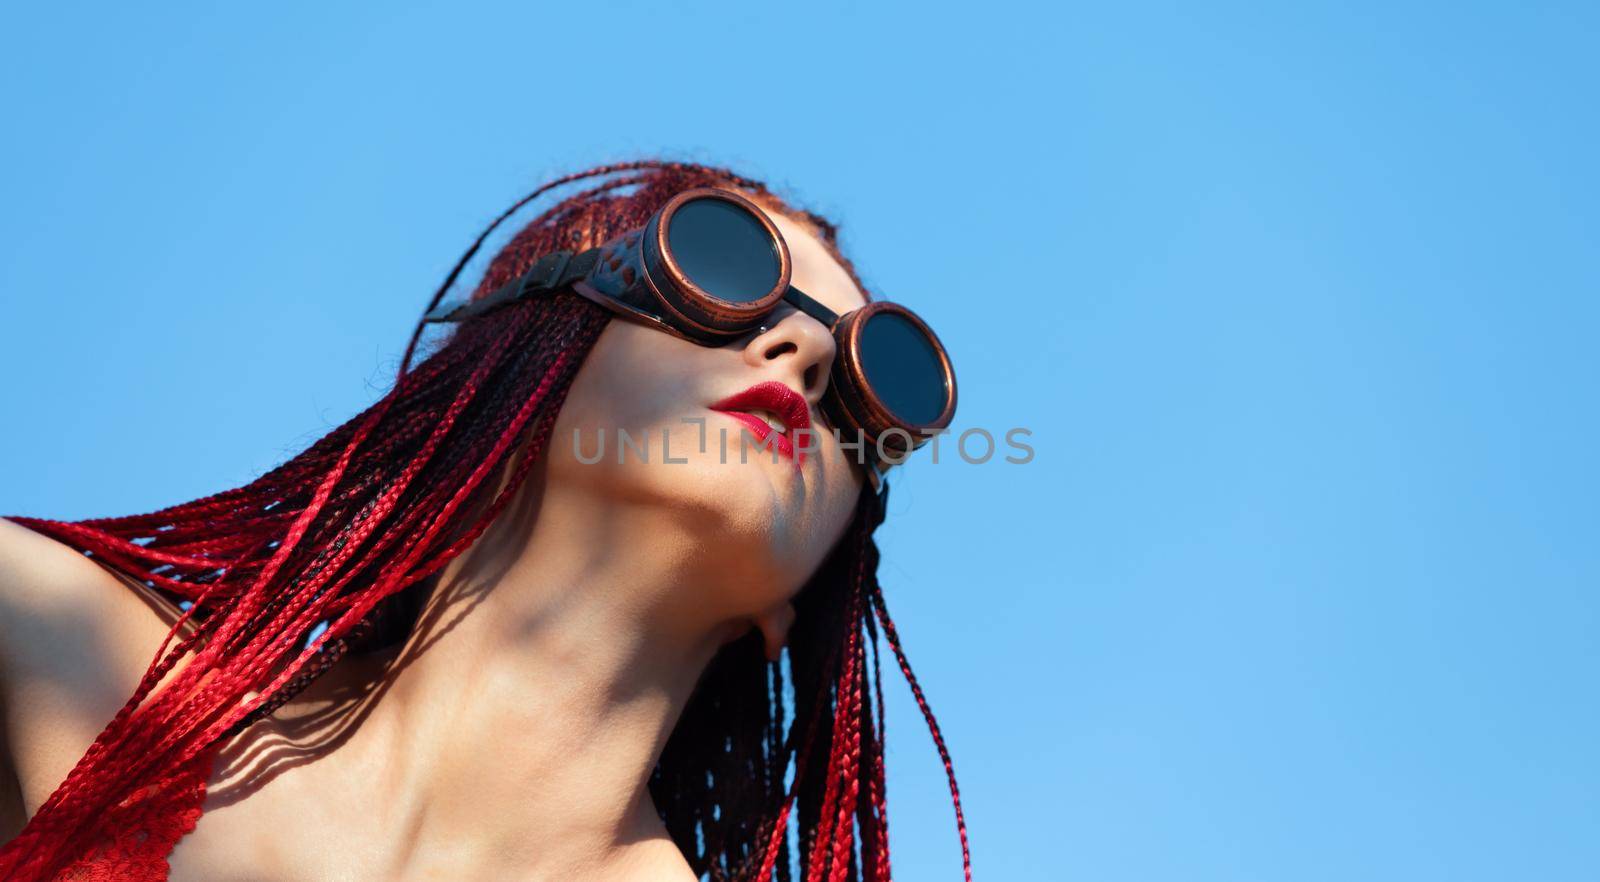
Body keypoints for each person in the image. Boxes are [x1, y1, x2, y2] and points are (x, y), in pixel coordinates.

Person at [0, 160, 970, 881]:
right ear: (517, 360)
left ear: (796, 608)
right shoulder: (41, 647)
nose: (801, 354)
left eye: (863, 395)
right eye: (720, 267)